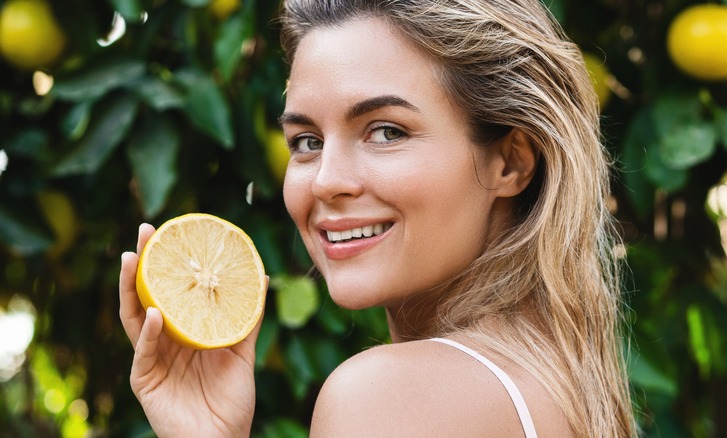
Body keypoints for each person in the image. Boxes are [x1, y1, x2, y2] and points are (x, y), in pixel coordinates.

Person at [119, 0, 637, 436]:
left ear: (511, 161)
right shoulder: (561, 387)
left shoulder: (385, 399)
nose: (325, 180)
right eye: (306, 142)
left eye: (386, 132)